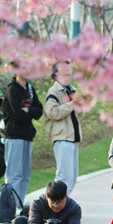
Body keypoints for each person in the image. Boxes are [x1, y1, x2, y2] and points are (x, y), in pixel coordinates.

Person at [2, 63, 44, 207]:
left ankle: (19, 205)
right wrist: (28, 112)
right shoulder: (12, 89)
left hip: (27, 136)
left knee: (25, 175)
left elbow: (39, 111)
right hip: (14, 136)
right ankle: (10, 206)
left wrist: (28, 110)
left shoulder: (30, 89)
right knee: (14, 174)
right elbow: (16, 114)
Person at [44, 60, 85, 195]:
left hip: (73, 137)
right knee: (63, 176)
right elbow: (52, 113)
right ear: (56, 74)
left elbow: (80, 114)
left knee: (72, 177)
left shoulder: (72, 89)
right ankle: (55, 206)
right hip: (62, 137)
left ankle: (63, 205)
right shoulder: (54, 91)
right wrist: (72, 104)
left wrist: (80, 105)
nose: (69, 69)